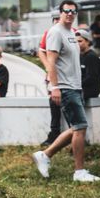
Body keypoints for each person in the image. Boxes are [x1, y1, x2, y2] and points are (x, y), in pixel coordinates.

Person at [32, 0, 100, 182]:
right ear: (60, 12)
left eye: (73, 11)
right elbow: (51, 61)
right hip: (65, 87)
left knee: (76, 127)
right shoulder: (56, 32)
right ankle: (79, 172)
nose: (70, 14)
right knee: (80, 127)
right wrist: (55, 87)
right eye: (66, 11)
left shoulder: (71, 33)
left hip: (75, 86)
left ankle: (45, 155)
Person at [39, 11, 63, 146]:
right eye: (54, 19)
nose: (56, 21)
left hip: (69, 76)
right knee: (54, 102)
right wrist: (48, 68)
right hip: (54, 74)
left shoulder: (73, 32)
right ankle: (55, 132)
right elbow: (41, 51)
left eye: (58, 19)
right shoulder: (49, 33)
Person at [77, 29, 100, 99]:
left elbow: (92, 77)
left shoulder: (91, 56)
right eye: (75, 42)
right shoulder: (79, 55)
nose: (77, 44)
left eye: (80, 41)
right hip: (80, 88)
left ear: (88, 42)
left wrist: (77, 85)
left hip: (89, 90)